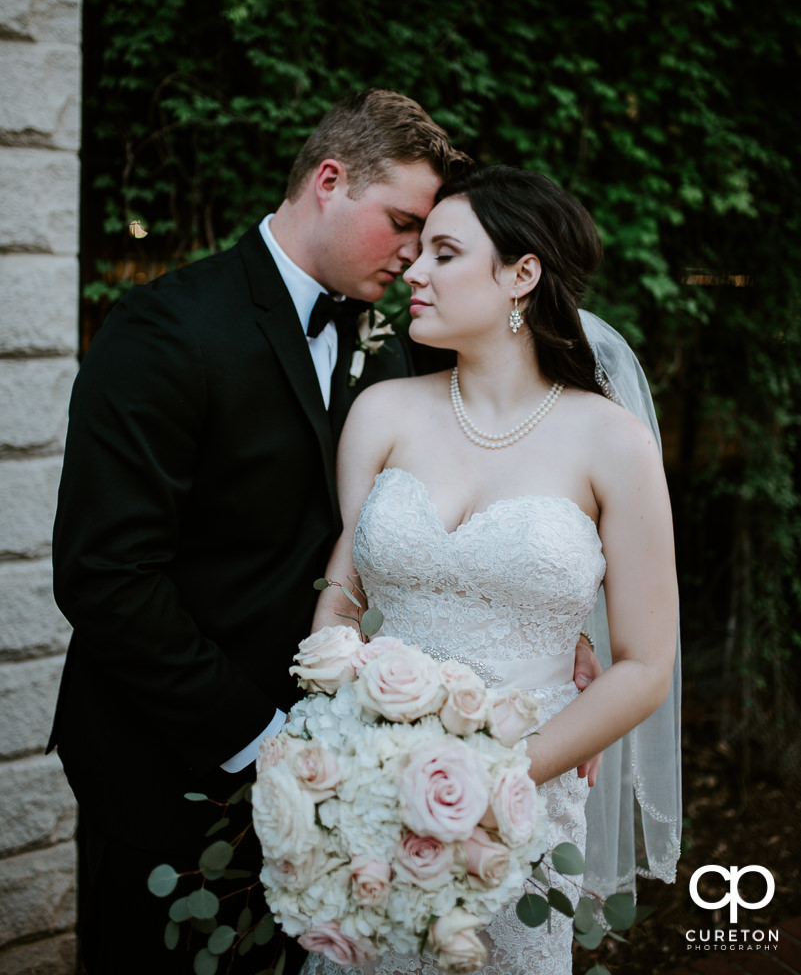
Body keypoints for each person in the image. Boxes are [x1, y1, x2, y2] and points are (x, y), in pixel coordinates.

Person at [47, 94, 600, 974]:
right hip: (174, 761)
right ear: (329, 182)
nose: (416, 254)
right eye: (402, 224)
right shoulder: (163, 331)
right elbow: (105, 576)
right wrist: (269, 741)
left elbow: (451, 502)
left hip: (365, 781)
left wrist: (542, 614)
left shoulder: (406, 337)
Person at [304, 164, 681, 975]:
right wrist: (340, 742)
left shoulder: (609, 442)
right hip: (372, 794)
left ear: (521, 275)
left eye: (443, 254)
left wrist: (496, 777)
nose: (413, 271)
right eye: (418, 253)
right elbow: (344, 593)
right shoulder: (381, 413)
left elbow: (646, 664)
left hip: (524, 800)